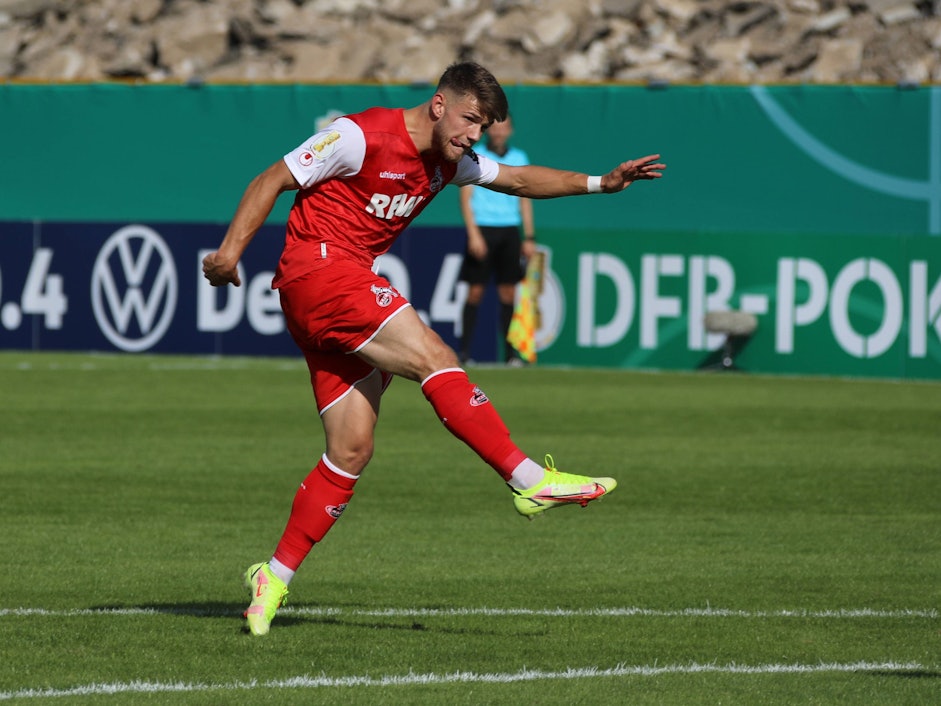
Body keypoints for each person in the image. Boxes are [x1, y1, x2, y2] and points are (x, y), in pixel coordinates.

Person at [202, 61, 665, 636]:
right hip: (321, 272)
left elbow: (519, 181)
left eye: (485, 125)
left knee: (350, 450)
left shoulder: (451, 161)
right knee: (436, 357)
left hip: (326, 298)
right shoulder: (359, 135)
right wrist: (228, 254)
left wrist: (601, 183)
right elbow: (270, 178)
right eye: (471, 119)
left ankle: (272, 576)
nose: (475, 135)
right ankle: (527, 480)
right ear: (441, 104)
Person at [457, 113, 535, 365]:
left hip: (509, 230)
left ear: (510, 131)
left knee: (508, 294)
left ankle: (510, 354)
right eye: (496, 127)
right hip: (483, 228)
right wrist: (473, 234)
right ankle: (464, 352)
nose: (499, 132)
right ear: (488, 130)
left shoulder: (519, 158)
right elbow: (466, 199)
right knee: (475, 292)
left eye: (505, 128)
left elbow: (525, 201)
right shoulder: (474, 155)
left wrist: (529, 236)